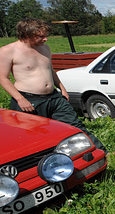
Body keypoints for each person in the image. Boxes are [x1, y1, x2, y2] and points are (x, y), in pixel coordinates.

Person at [0, 18, 106, 150]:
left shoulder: (44, 48)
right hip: (29, 100)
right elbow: (3, 78)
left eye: (45, 36)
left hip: (54, 97)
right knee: (33, 135)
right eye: (41, 36)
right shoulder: (7, 51)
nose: (45, 39)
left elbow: (49, 70)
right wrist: (20, 99)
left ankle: (101, 152)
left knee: (74, 125)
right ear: (27, 34)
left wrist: (62, 88)